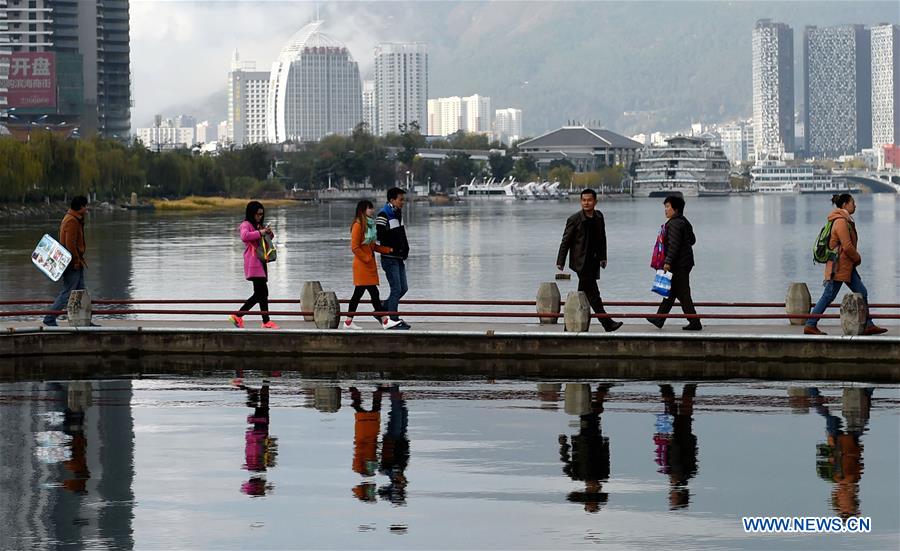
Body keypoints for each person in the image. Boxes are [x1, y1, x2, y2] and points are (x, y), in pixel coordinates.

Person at [805, 193, 888, 336]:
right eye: (852, 202)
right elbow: (848, 246)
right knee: (828, 296)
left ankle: (868, 324)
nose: (855, 205)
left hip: (846, 266)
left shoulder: (845, 220)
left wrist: (853, 261)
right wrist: (858, 258)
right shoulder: (840, 222)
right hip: (838, 267)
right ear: (844, 205)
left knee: (862, 292)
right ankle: (810, 324)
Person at [556, 189, 623, 332]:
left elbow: (602, 238)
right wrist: (560, 261)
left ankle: (570, 325)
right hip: (581, 262)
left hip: (593, 261)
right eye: (584, 200)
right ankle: (607, 323)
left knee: (582, 294)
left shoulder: (599, 216)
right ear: (581, 202)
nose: (586, 203)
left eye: (589, 200)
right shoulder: (574, 219)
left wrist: (603, 257)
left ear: (595, 202)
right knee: (594, 295)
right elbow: (565, 241)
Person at [646, 195, 702, 331]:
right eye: (665, 207)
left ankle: (695, 322)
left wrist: (668, 262)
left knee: (683, 293)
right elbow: (692, 240)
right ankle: (659, 319)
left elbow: (674, 245)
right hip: (685, 262)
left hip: (679, 264)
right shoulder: (683, 221)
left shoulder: (674, 224)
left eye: (667, 207)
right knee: (671, 292)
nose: (665, 210)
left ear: (675, 209)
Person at [44, 196, 97, 327]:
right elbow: (70, 244)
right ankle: (49, 318)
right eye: (85, 206)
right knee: (68, 292)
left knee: (81, 292)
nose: (86, 209)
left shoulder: (72, 218)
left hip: (75, 262)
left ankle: (84, 321)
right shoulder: (72, 221)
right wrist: (76, 261)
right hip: (72, 264)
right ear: (80, 207)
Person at [344, 200, 394, 330]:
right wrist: (366, 258)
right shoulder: (358, 225)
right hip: (362, 266)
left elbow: (373, 246)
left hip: (369, 266)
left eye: (372, 208)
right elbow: (354, 247)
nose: (372, 210)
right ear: (363, 210)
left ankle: (348, 322)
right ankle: (384, 320)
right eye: (370, 208)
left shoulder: (370, 226)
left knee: (360, 294)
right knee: (373, 293)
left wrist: (387, 250)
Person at [230, 201, 279, 329]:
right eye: (258, 214)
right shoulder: (245, 225)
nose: (260, 216)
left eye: (262, 214)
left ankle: (265, 321)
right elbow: (244, 236)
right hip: (253, 263)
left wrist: (268, 233)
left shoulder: (258, 225)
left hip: (261, 262)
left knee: (263, 293)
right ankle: (239, 315)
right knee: (260, 293)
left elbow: (264, 239)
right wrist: (261, 232)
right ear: (252, 213)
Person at [376, 188, 411, 330]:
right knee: (396, 288)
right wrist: (394, 248)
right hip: (389, 258)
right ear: (392, 200)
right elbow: (380, 236)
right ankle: (393, 319)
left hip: (398, 258)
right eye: (400, 199)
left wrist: (405, 249)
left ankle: (382, 309)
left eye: (403, 199)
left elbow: (401, 233)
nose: (403, 202)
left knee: (403, 288)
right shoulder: (383, 214)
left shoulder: (398, 213)